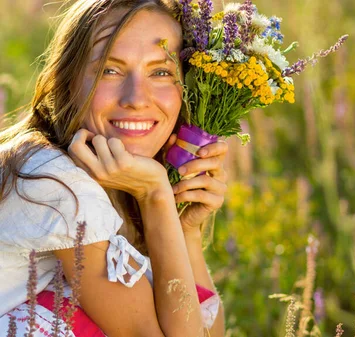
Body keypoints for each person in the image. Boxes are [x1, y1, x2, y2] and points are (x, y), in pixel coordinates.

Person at [0, 0, 228, 336]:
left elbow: (206, 331)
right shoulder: (52, 181)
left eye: (161, 72)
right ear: (68, 82)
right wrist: (155, 195)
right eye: (110, 69)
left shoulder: (118, 182)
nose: (136, 98)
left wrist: (185, 231)